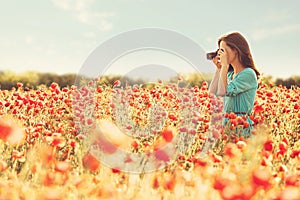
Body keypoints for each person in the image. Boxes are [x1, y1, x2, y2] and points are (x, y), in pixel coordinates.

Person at [208, 32, 260, 138]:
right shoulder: (230, 74)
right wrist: (219, 69)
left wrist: (225, 66)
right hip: (226, 126)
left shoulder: (248, 73)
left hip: (240, 127)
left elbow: (225, 91)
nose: (220, 54)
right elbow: (212, 93)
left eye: (223, 50)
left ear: (235, 50)